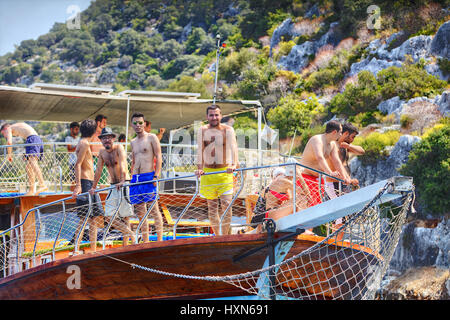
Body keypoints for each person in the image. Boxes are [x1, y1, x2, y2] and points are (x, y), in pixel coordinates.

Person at [195, 105, 238, 236]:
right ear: (207, 116)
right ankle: (218, 237)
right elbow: (200, 150)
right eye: (211, 115)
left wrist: (234, 164)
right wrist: (199, 168)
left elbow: (234, 148)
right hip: (208, 173)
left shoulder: (228, 130)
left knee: (227, 206)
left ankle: (224, 237)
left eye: (216, 115)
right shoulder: (202, 130)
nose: (214, 117)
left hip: (224, 173)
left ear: (221, 115)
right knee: (212, 208)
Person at [88, 127, 135, 246]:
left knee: (126, 217)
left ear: (113, 138)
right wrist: (93, 187)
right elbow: (98, 170)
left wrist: (123, 180)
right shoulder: (102, 152)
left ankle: (126, 246)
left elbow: (124, 163)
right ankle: (131, 234)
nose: (106, 140)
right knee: (108, 217)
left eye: (109, 137)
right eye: (104, 138)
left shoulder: (119, 148)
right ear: (101, 140)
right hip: (113, 185)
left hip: (124, 183)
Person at [72, 119, 105, 253]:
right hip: (85, 183)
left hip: (90, 183)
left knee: (93, 218)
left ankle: (93, 249)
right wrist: (78, 185)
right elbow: (78, 164)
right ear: (93, 130)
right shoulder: (85, 143)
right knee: (85, 218)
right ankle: (75, 249)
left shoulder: (84, 143)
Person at [129, 113, 163, 242]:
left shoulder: (152, 138)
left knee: (154, 209)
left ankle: (159, 241)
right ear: (132, 125)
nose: (138, 125)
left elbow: (159, 156)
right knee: (140, 212)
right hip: (136, 179)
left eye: (140, 123)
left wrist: (156, 175)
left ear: (144, 123)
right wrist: (131, 177)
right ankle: (146, 241)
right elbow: (133, 161)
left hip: (149, 176)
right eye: (135, 123)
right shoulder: (133, 142)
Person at [299, 120, 347, 207]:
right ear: (334, 132)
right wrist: (330, 173)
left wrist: (345, 178)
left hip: (318, 179)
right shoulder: (317, 139)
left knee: (317, 205)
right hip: (306, 177)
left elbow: (337, 161)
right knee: (309, 205)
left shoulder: (332, 144)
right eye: (340, 132)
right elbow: (319, 157)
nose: (341, 135)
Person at [0, 122, 47, 196]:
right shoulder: (17, 126)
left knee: (33, 162)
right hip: (35, 139)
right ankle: (31, 190)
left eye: (3, 134)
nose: (4, 136)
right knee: (28, 167)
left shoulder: (8, 128)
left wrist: (9, 155)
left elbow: (9, 142)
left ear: (5, 129)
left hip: (32, 139)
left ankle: (42, 184)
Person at [65, 122, 80, 186]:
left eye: (78, 129)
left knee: (80, 180)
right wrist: (78, 147)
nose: (77, 131)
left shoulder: (80, 139)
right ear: (71, 129)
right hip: (72, 162)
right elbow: (69, 150)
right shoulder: (68, 138)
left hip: (80, 161)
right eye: (76, 129)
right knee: (73, 181)